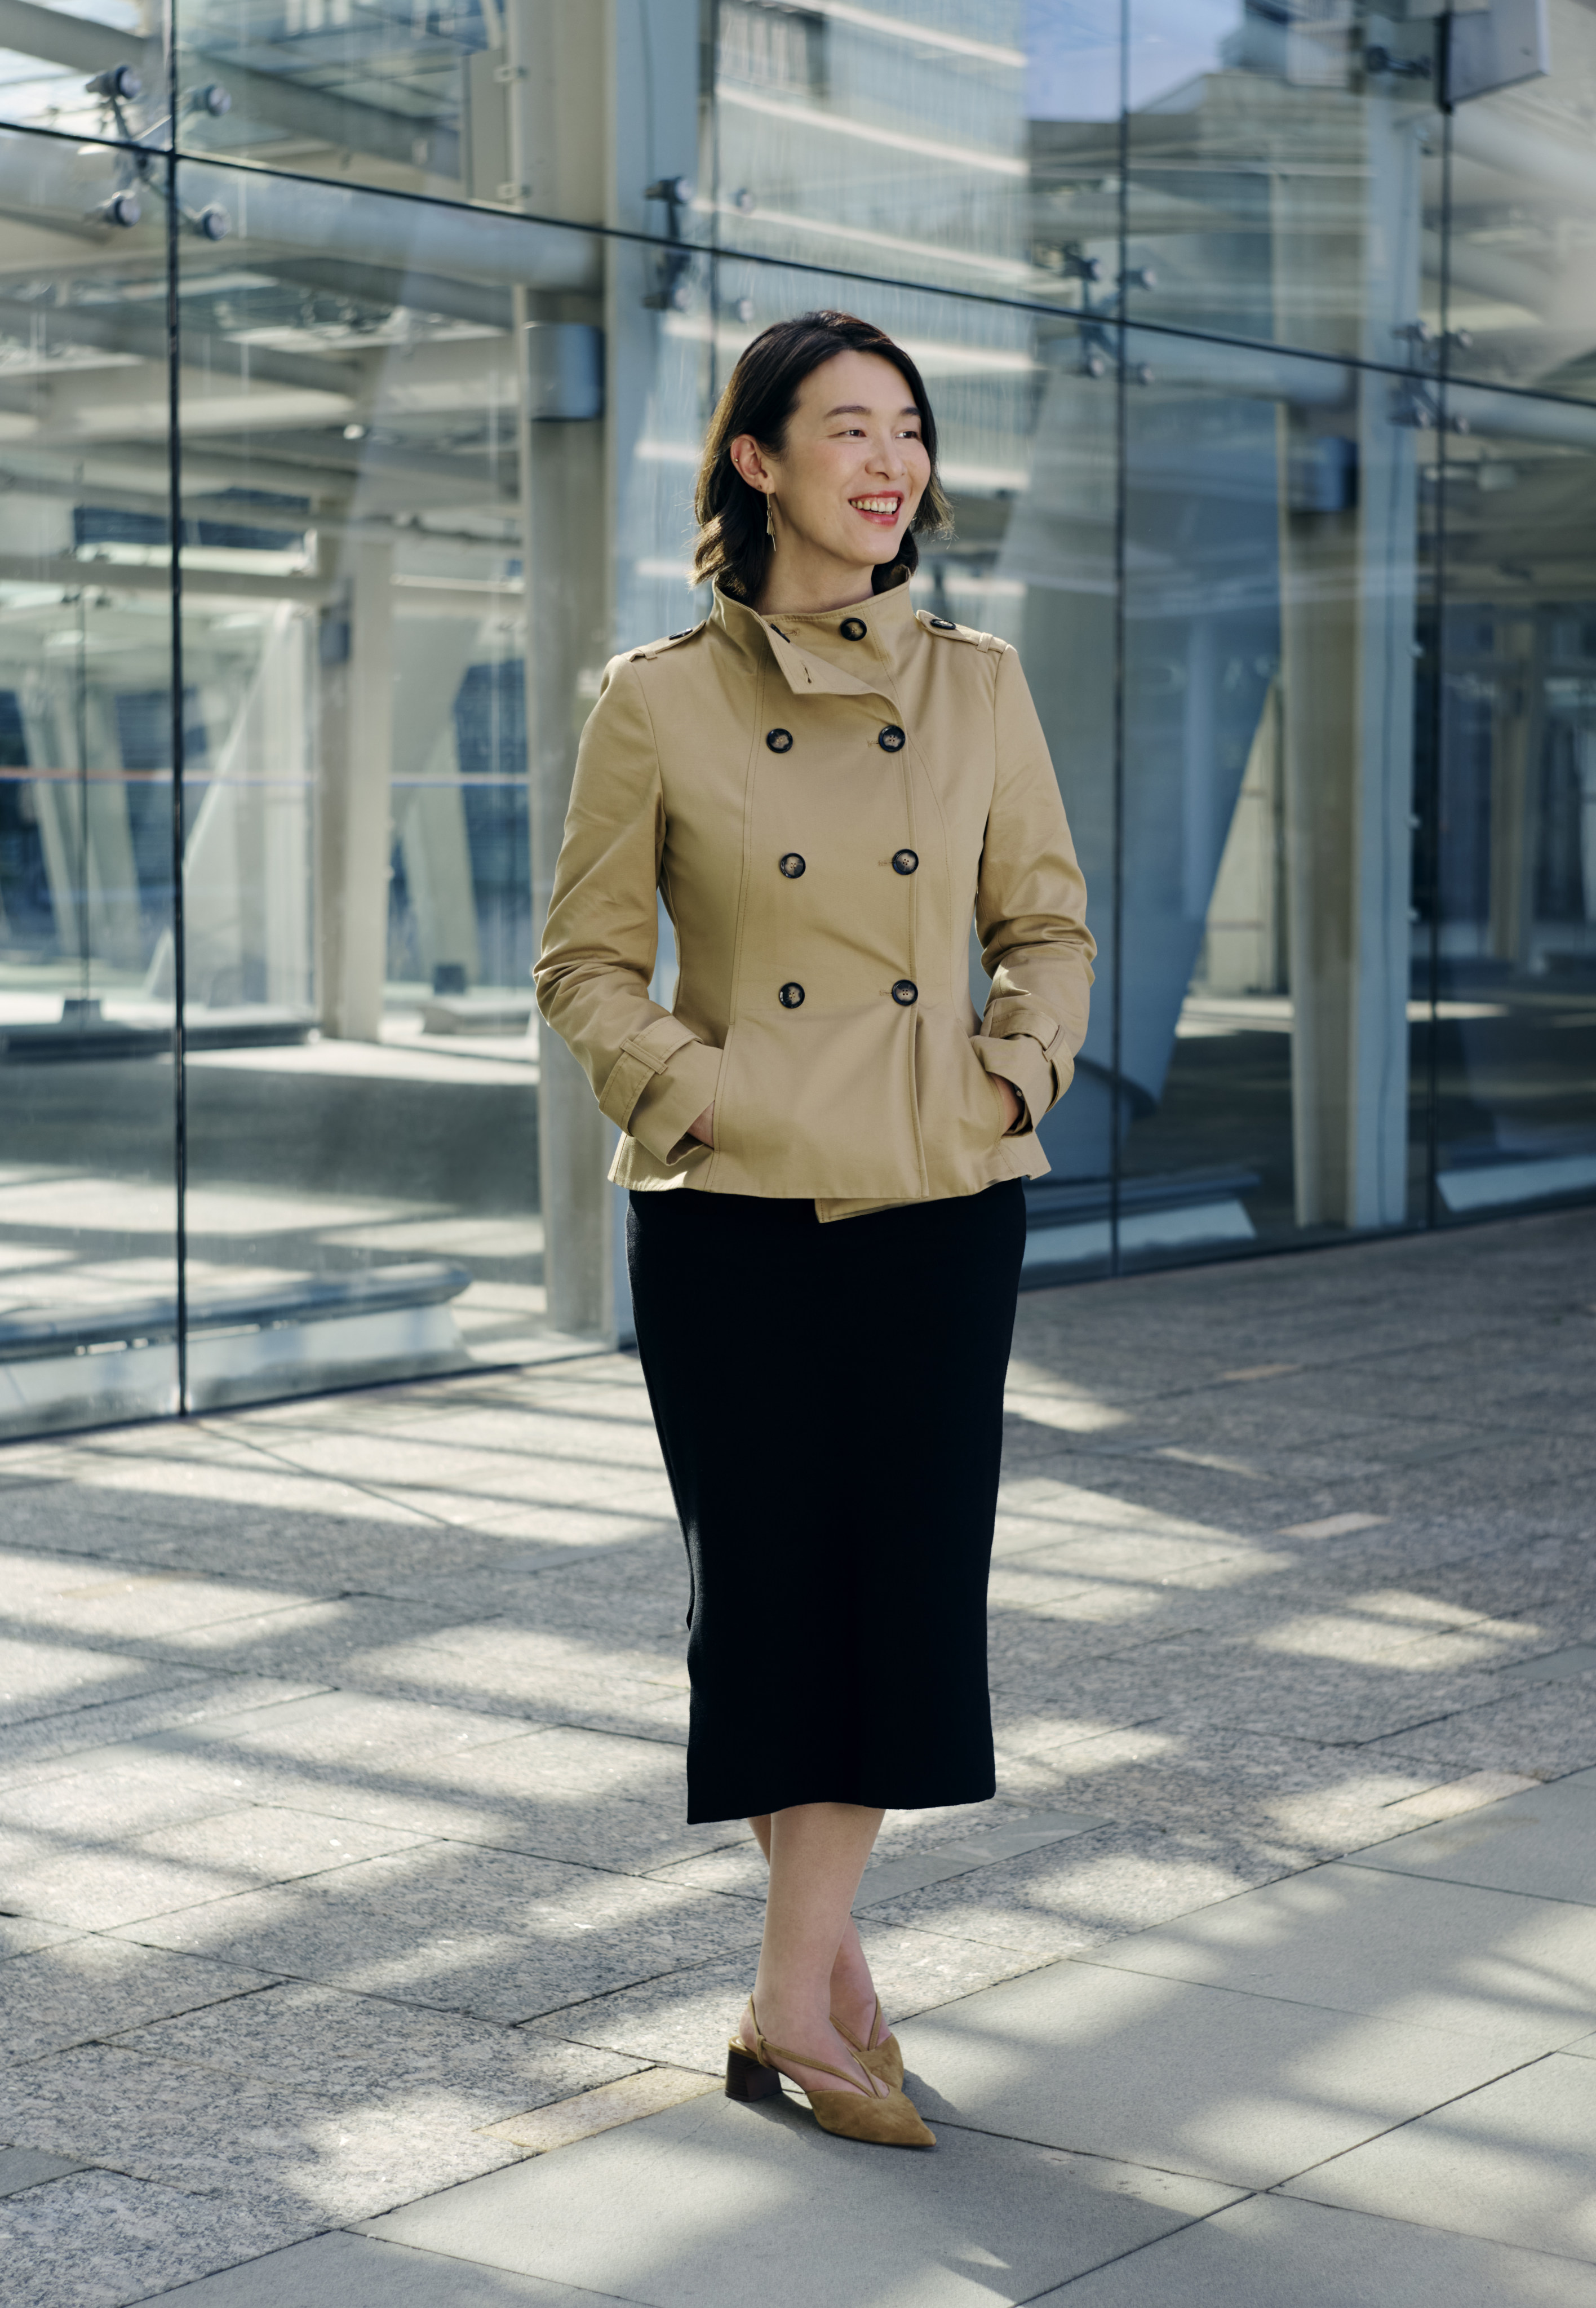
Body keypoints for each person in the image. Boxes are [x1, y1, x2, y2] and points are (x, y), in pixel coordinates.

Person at [535, 309, 1093, 2149]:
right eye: (849, 428)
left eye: (911, 432)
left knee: (898, 1592)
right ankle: (815, 1987)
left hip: (936, 1198)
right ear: (755, 461)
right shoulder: (659, 695)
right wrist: (696, 1092)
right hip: (737, 1213)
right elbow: (586, 965)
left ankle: (801, 1986)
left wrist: (1011, 1082)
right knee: (770, 1597)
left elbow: (1050, 929)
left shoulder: (980, 682)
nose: (891, 461)